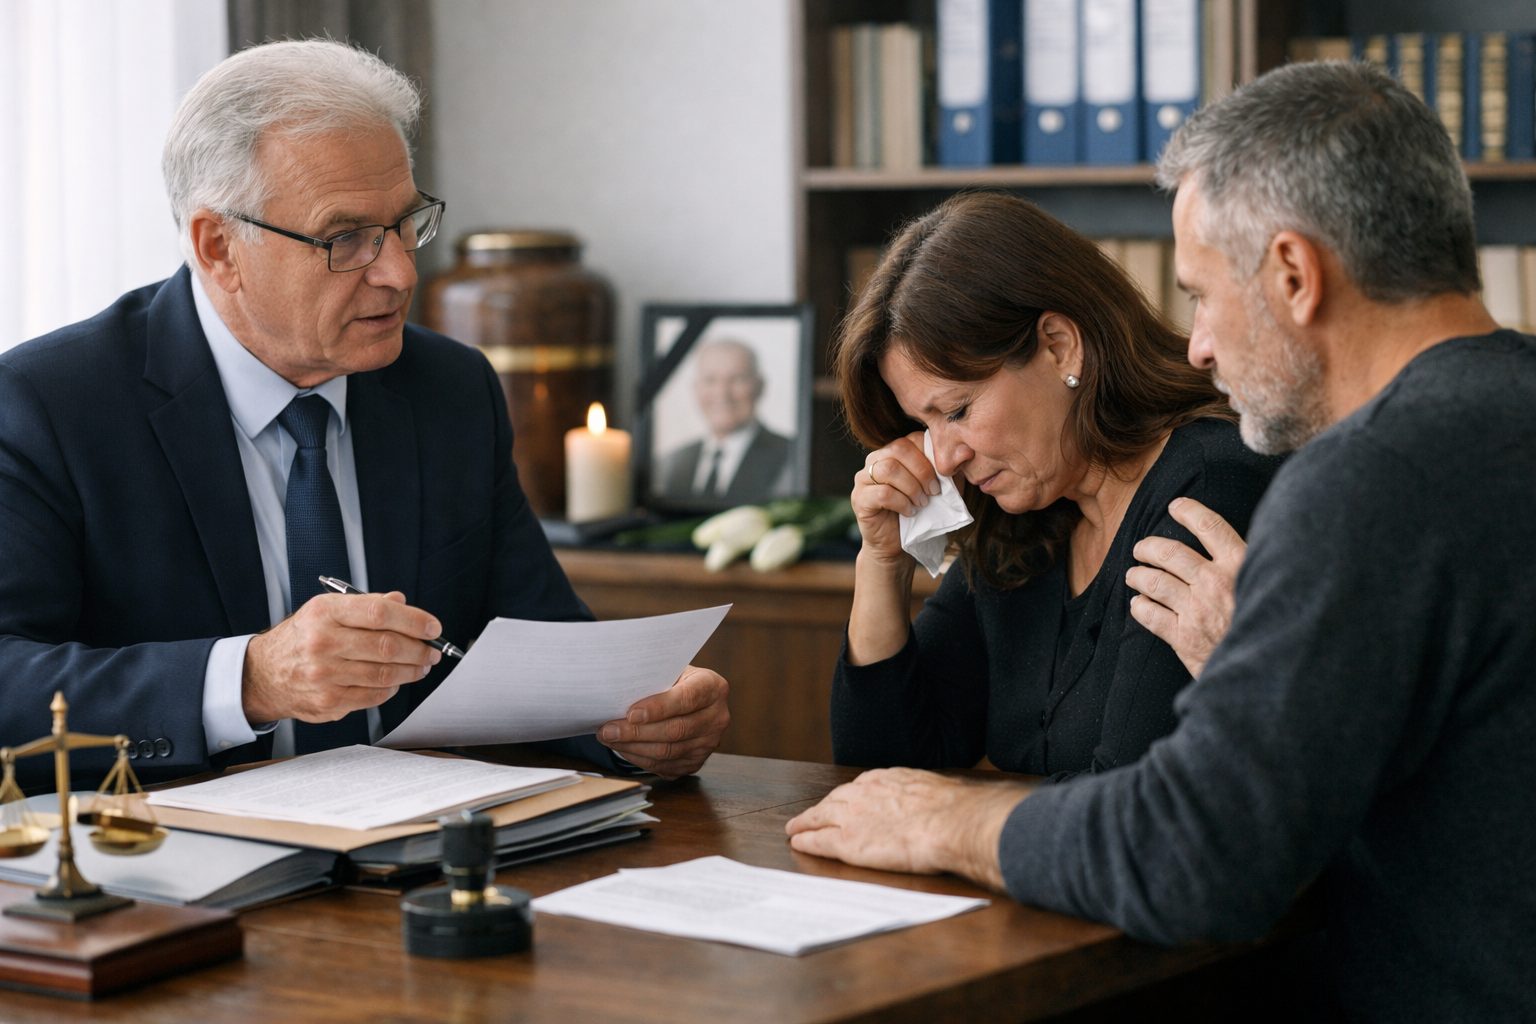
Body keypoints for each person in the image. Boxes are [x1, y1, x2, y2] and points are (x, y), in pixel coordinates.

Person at [787, 61, 1536, 1020]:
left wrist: (950, 818)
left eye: (1202, 294)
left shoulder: (1359, 485)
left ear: (1295, 276)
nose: (1199, 348)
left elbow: (1190, 856)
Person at [0, 40, 727, 788]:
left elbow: (538, 645)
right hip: (163, 863)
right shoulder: (48, 404)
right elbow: (7, 679)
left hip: (420, 852)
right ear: (219, 247)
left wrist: (640, 719)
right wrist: (247, 679)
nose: (400, 271)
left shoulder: (450, 388)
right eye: (345, 238)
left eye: (407, 223)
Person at [826, 191, 1279, 779]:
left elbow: (1130, 798)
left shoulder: (1212, 482)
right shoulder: (1023, 508)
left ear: (1059, 346)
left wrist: (952, 821)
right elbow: (884, 768)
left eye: (958, 410)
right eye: (923, 425)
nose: (943, 457)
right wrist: (883, 561)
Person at [655, 338, 794, 504]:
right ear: (696, 388)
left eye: (737, 379)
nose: (722, 393)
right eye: (710, 380)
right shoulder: (672, 463)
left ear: (759, 386)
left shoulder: (790, 457)